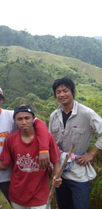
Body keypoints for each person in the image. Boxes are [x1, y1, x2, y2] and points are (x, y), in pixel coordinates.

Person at [0, 104, 62, 209]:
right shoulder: (10, 140)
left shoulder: (47, 138)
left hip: (40, 196)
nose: (24, 122)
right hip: (18, 195)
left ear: (33, 119)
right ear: (15, 120)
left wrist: (56, 177)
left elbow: (56, 161)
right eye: (20, 119)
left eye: (27, 118)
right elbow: (4, 165)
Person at [49, 76, 102, 209]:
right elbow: (51, 143)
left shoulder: (86, 113)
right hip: (60, 172)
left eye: (65, 90)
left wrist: (91, 154)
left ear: (73, 91)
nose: (62, 94)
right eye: (58, 92)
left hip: (78, 172)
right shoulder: (54, 116)